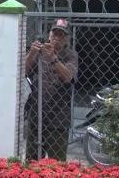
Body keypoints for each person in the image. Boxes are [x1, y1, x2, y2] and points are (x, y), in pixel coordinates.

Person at [25, 18, 78, 161]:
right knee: (31, 161)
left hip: (58, 118)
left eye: (61, 35)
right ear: (49, 35)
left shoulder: (71, 55)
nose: (57, 38)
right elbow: (23, 71)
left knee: (57, 164)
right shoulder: (40, 52)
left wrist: (53, 58)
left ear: (66, 39)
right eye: (55, 34)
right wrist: (31, 54)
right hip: (37, 114)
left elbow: (68, 77)